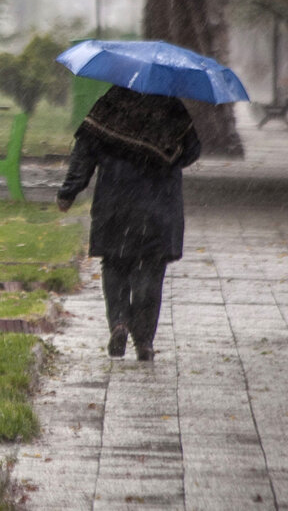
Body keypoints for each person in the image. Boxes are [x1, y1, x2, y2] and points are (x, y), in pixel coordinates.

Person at [56, 85, 201, 361]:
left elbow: (84, 149)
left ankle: (120, 322)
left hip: (115, 204)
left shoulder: (110, 104)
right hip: (158, 207)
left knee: (115, 264)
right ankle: (144, 340)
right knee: (151, 270)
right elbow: (192, 151)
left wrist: (69, 191)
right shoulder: (171, 108)